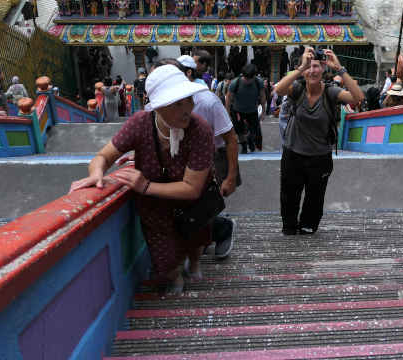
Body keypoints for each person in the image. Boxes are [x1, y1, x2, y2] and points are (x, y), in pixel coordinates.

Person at [70, 65, 215, 294]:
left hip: (191, 204)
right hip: (155, 208)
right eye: (178, 103)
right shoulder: (140, 124)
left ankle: (195, 262)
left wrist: (145, 186)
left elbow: (192, 188)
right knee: (164, 255)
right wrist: (97, 173)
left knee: (195, 240)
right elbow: (103, 156)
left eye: (188, 100)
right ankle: (175, 276)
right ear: (158, 107)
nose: (188, 108)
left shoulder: (201, 131)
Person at [273, 47, 364, 235]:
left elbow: (358, 97)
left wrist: (339, 68)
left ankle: (308, 225)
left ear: (323, 69)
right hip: (293, 154)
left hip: (320, 157)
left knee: (315, 196)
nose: (312, 71)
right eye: (309, 67)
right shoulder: (297, 89)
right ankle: (289, 226)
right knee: (289, 194)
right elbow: (279, 89)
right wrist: (300, 67)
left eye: (316, 66)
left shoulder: (330, 93)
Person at [172, 57, 239, 259]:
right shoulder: (166, 102)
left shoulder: (207, 101)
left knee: (204, 205)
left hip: (212, 158)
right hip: (181, 159)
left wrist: (230, 176)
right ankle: (206, 236)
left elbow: (230, 138)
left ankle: (221, 230)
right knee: (191, 207)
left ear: (187, 74)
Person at [225, 63, 267, 154]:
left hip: (252, 111)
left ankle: (250, 140)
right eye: (246, 78)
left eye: (250, 79)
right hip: (238, 111)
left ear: (254, 76)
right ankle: (244, 146)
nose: (247, 81)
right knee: (239, 131)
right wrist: (227, 113)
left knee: (254, 130)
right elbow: (228, 98)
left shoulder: (258, 82)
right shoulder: (235, 83)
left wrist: (263, 111)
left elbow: (263, 96)